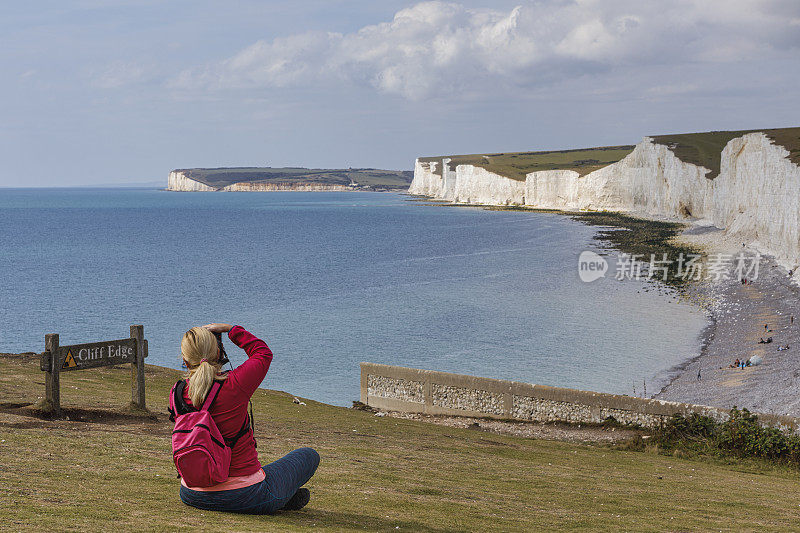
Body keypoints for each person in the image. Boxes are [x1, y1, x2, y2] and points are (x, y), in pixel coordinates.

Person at [172, 323, 319, 514]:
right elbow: (262, 353)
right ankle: (280, 498)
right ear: (219, 353)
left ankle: (284, 497)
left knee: (274, 478)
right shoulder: (235, 384)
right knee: (308, 455)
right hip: (244, 495)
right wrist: (230, 329)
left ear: (184, 359)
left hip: (192, 493)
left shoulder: (177, 393)